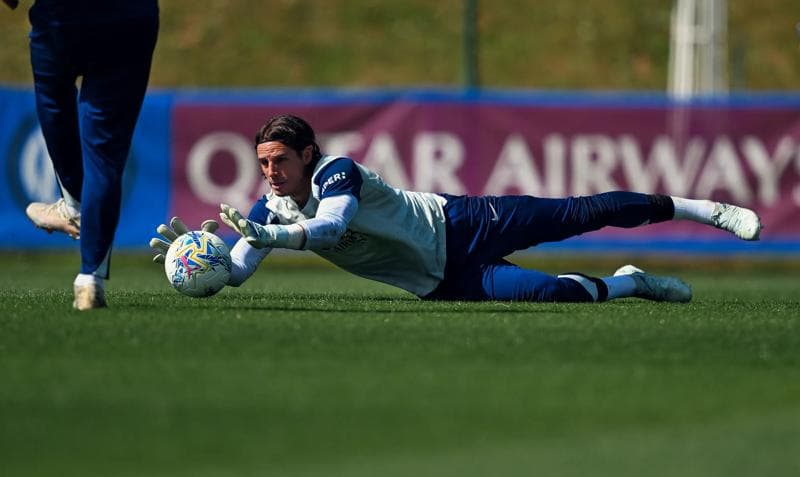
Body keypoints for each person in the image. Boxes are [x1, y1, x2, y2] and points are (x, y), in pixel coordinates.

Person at [151, 114, 763, 304]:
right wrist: (195, 261)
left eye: (279, 159)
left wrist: (272, 236)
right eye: (262, 164)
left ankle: (704, 208)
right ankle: (629, 284)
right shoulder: (268, 211)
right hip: (441, 279)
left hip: (462, 222)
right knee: (550, 298)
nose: (270, 173)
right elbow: (234, 270)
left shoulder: (338, 172)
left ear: (308, 152)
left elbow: (332, 225)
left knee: (579, 212)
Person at [9, 0, 159, 309]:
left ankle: (74, 205)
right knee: (104, 153)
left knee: (54, 104)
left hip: (62, 19)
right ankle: (90, 277)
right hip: (130, 19)